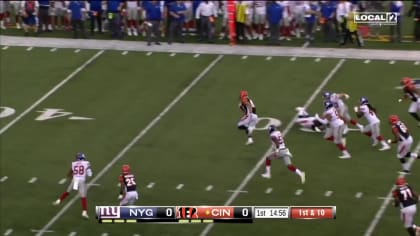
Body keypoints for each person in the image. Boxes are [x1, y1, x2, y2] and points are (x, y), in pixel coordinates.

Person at [53, 153, 93, 219]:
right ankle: (84, 212)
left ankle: (58, 201)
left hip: (75, 180)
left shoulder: (74, 163)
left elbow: (71, 171)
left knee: (68, 191)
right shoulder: (86, 163)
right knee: (83, 196)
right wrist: (88, 173)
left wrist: (68, 176)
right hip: (81, 181)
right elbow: (90, 174)